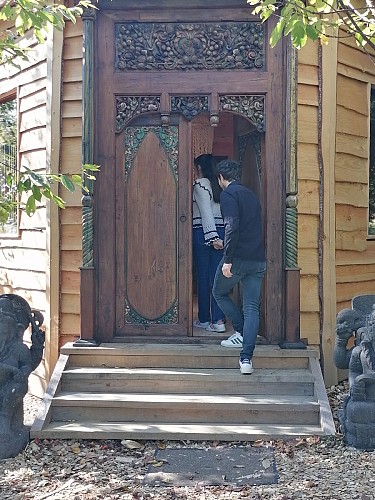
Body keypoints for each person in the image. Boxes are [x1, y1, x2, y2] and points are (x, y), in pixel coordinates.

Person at [212, 159, 266, 374]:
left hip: (238, 258)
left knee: (219, 292)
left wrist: (227, 259)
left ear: (221, 178)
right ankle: (246, 360)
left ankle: (242, 331)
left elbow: (231, 226)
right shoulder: (250, 195)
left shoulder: (228, 194)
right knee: (252, 307)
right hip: (258, 258)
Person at [193, 154, 226, 332]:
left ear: (199, 168)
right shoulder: (220, 184)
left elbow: (205, 212)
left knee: (204, 278)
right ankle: (219, 320)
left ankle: (206, 319)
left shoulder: (200, 185)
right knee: (217, 278)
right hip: (221, 233)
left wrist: (212, 238)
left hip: (204, 234)